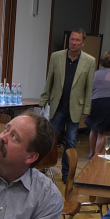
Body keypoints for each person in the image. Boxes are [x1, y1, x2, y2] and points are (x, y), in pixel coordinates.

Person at [39, 28, 95, 183]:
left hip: (75, 108)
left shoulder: (89, 61)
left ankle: (66, 173)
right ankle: (43, 167)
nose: (73, 43)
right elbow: (49, 80)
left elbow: (89, 87)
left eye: (77, 40)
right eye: (72, 39)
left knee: (70, 142)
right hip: (58, 106)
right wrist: (44, 99)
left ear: (83, 43)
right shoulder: (56, 57)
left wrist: (87, 109)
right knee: (51, 139)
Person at [86, 51, 110, 158]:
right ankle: (97, 155)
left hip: (96, 103)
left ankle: (91, 153)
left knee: (94, 128)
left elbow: (90, 89)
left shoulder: (96, 74)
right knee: (102, 132)